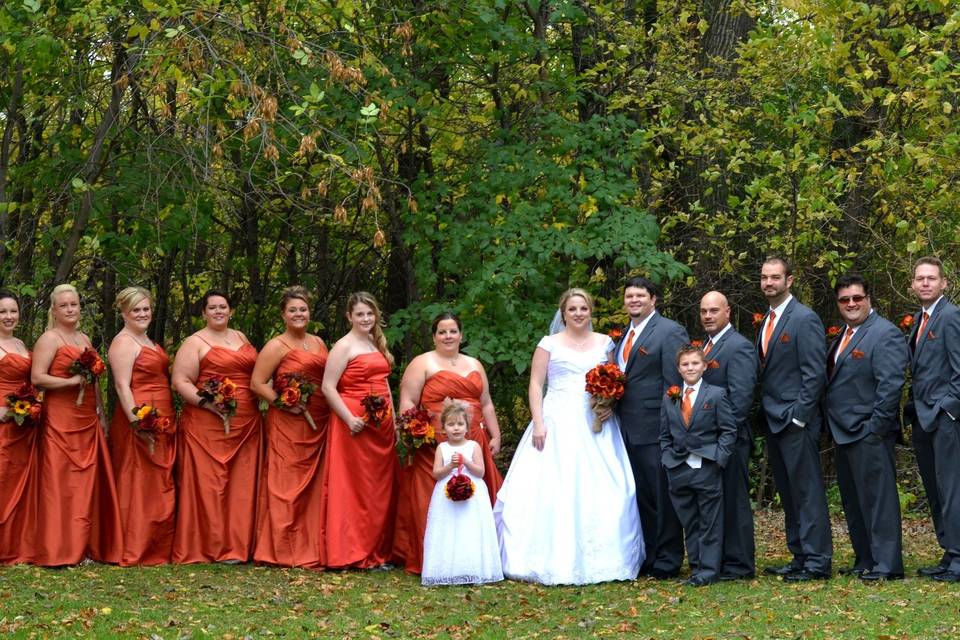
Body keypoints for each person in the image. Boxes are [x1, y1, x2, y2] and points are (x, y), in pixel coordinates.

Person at [494, 288, 643, 584]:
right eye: (572, 309)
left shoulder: (605, 343)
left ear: (590, 311)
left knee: (605, 487)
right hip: (556, 420)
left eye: (583, 308)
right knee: (551, 485)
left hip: (595, 423)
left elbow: (613, 379)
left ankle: (606, 558)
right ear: (563, 313)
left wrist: (608, 403)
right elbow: (536, 385)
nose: (578, 314)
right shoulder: (549, 344)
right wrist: (538, 422)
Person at [393, 312, 504, 574]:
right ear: (434, 337)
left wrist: (495, 434)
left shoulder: (474, 364)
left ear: (461, 335)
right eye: (442, 332)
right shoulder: (422, 363)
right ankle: (435, 559)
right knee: (431, 501)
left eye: (453, 331)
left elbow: (486, 403)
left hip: (474, 439)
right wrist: (412, 434)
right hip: (434, 443)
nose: (448, 336)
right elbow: (408, 401)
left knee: (477, 498)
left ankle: (476, 558)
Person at [30, 284, 122, 565]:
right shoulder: (50, 339)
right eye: (64, 305)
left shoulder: (84, 338)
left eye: (75, 304)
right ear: (54, 310)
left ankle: (84, 546)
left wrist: (101, 417)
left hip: (86, 419)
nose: (71, 309)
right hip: (60, 417)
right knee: (61, 483)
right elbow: (37, 378)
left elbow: (94, 383)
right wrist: (70, 382)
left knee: (86, 485)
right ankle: (60, 548)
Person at [824, 273, 906, 581]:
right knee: (854, 501)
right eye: (845, 299)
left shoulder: (885, 333)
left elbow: (890, 385)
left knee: (878, 500)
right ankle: (866, 558)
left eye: (857, 298)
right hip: (843, 432)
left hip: (868, 432)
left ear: (868, 299)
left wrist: (876, 429)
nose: (851, 304)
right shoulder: (842, 336)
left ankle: (887, 565)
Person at [756, 257, 832, 581]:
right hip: (773, 419)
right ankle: (799, 556)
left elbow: (815, 373)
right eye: (764, 277)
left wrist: (799, 418)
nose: (769, 283)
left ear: (789, 280)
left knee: (807, 492)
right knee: (789, 492)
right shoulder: (766, 320)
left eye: (775, 277)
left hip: (794, 421)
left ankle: (817, 562)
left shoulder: (804, 319)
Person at [171, 290, 261, 563]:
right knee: (211, 484)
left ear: (230, 310)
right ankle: (212, 546)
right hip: (207, 423)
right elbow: (181, 381)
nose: (219, 311)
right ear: (204, 313)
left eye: (223, 306)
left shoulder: (241, 338)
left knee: (242, 484)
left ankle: (240, 545)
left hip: (246, 422)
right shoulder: (194, 342)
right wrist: (206, 403)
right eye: (213, 308)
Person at [320, 291, 400, 568]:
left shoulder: (373, 341)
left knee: (378, 488)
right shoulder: (343, 346)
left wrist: (396, 418)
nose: (366, 319)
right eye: (360, 314)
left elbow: (384, 382)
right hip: (354, 423)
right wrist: (348, 418)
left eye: (370, 313)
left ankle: (377, 551)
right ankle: (352, 551)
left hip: (381, 424)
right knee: (355, 487)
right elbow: (328, 387)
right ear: (349, 317)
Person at [251, 286, 330, 569]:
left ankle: (314, 545)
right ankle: (283, 547)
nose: (299, 314)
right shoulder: (276, 346)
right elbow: (257, 383)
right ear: (284, 315)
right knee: (286, 482)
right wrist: (284, 403)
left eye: (303, 309)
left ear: (309, 312)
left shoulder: (320, 343)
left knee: (316, 483)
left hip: (319, 420)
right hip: (287, 422)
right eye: (293, 310)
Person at [615, 276, 688, 577]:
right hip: (625, 429)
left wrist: (668, 429)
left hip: (655, 428)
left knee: (662, 496)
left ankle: (669, 559)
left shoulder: (669, 331)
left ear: (653, 300)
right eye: (629, 295)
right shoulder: (622, 337)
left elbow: (674, 385)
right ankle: (650, 554)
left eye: (640, 295)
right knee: (641, 495)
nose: (634, 300)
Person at [107, 287, 176, 566]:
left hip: (162, 414)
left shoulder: (146, 339)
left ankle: (156, 545)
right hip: (140, 415)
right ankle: (133, 545)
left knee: (159, 480)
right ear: (123, 312)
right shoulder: (123, 342)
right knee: (138, 481)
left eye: (146, 309)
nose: (142, 314)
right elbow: (122, 385)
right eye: (136, 310)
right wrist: (137, 419)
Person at [659, 344, 736, 586]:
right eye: (685, 364)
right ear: (678, 369)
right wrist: (668, 458)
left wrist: (718, 459)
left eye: (694, 363)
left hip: (707, 467)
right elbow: (664, 434)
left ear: (704, 366)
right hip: (678, 469)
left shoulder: (716, 394)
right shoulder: (670, 396)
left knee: (709, 522)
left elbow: (728, 430)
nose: (690, 368)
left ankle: (709, 571)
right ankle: (696, 568)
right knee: (689, 521)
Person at [904, 256, 960, 581]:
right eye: (920, 278)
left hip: (945, 418)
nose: (925, 283)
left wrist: (948, 409)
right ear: (913, 284)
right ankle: (949, 550)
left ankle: (958, 557)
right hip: (923, 418)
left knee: (952, 488)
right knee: (936, 488)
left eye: (931, 278)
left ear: (944, 284)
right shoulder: (919, 319)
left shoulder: (951, 317)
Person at [698, 291, 757, 580]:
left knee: (734, 501)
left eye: (713, 311)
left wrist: (720, 437)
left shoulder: (739, 347)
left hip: (730, 440)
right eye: (704, 311)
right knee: (715, 503)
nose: (708, 316)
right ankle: (718, 560)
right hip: (707, 442)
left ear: (727, 312)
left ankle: (740, 564)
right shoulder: (703, 349)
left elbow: (741, 400)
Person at [421, 401, 503, 586]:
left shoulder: (473, 446)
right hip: (446, 494)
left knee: (469, 527)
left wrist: (466, 461)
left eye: (460, 424)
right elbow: (436, 473)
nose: (456, 428)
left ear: (467, 426)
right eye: (451, 424)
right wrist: (450, 465)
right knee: (450, 527)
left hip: (472, 494)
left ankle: (472, 568)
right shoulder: (442, 448)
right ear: (443, 428)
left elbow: (480, 472)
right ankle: (448, 569)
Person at [0, 290, 39, 564]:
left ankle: (17, 545)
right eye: (2, 312)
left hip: (24, 422)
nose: (9, 317)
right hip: (3, 421)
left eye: (13, 311)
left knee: (21, 482)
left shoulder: (21, 343)